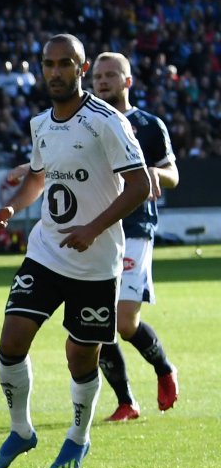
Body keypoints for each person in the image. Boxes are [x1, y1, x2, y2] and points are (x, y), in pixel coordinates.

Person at [0, 35, 150, 468]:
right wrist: (12, 208)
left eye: (65, 63)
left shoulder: (108, 122)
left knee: (80, 356)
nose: (55, 72)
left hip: (96, 262)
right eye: (48, 64)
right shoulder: (41, 123)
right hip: (46, 251)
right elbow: (38, 178)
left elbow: (141, 186)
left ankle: (78, 437)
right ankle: (21, 430)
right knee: (11, 341)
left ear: (82, 68)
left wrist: (93, 229)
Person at [88, 52, 180, 420]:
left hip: (135, 227)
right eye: (97, 76)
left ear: (127, 81)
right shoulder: (86, 124)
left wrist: (157, 174)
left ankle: (164, 369)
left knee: (124, 322)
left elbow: (173, 174)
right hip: (95, 229)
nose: (102, 81)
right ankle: (126, 402)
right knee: (97, 322)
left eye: (111, 75)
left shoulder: (149, 125)